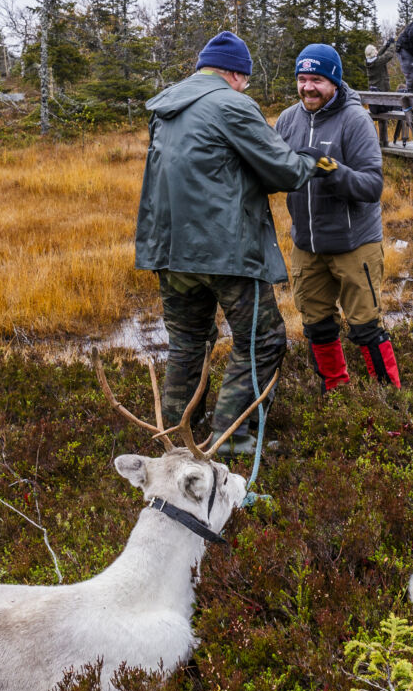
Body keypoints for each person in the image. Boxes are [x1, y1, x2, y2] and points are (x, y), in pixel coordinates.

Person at [135, 31, 330, 454]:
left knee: (188, 340)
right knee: (263, 340)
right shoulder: (233, 104)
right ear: (236, 74)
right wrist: (312, 161)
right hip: (226, 252)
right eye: (246, 79)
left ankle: (177, 433)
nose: (246, 87)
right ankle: (231, 436)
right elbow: (284, 172)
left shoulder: (165, 106)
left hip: (169, 253)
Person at [274, 44, 398, 388]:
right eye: (302, 79)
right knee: (316, 324)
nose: (308, 87)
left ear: (334, 82)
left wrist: (330, 168)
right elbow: (269, 170)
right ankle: (337, 394)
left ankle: (389, 400)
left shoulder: (355, 119)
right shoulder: (287, 119)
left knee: (365, 328)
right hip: (307, 244)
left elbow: (371, 186)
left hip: (353, 244)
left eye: (317, 79)